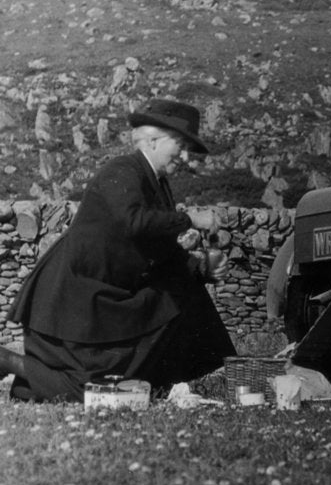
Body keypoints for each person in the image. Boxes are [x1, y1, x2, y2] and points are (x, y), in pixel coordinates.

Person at [0, 99, 236, 402]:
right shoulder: (123, 170)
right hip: (71, 295)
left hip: (99, 298)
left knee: (121, 380)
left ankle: (28, 382)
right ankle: (8, 361)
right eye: (181, 145)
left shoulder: (157, 183)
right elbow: (133, 222)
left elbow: (159, 247)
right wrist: (191, 218)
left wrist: (201, 268)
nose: (186, 156)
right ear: (152, 140)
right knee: (94, 390)